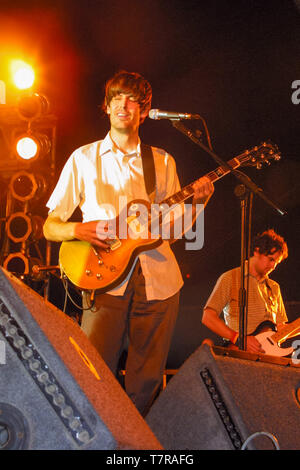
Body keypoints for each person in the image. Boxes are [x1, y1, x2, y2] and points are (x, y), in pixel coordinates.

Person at [43, 70, 214, 416]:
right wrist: (79, 230)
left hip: (160, 282)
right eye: (117, 97)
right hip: (102, 279)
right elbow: (50, 226)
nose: (124, 104)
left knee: (147, 382)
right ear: (106, 107)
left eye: (133, 99)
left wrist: (198, 202)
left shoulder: (163, 161)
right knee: (93, 373)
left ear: (144, 111)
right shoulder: (83, 159)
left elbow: (172, 230)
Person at [202, 229, 291, 354]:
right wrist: (238, 338)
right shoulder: (230, 277)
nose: (273, 266)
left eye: (276, 262)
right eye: (271, 259)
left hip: (268, 356)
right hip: (240, 353)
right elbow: (208, 317)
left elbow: (280, 327)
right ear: (257, 251)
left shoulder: (274, 287)